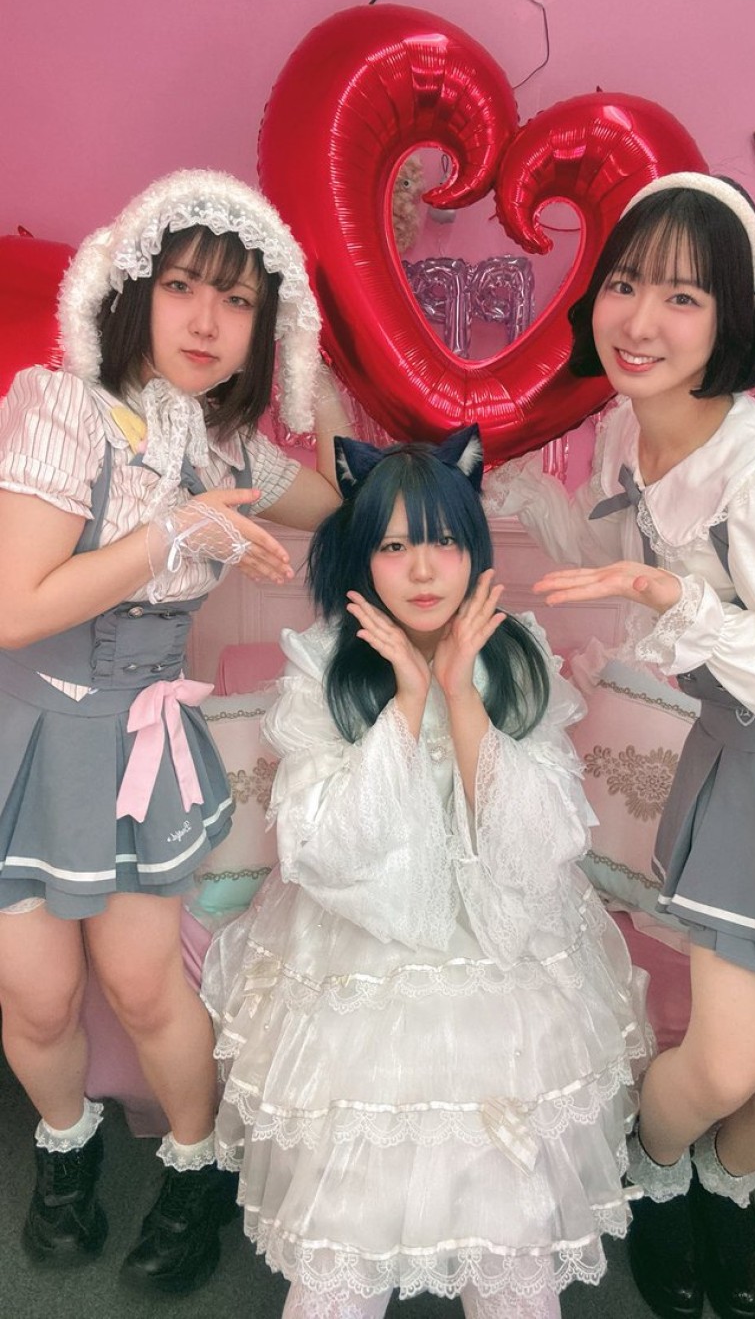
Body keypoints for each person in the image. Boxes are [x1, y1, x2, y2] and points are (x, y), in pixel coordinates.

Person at [201, 425, 651, 1319]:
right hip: (358, 959)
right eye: (395, 544)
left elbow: (536, 850)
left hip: (505, 954)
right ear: (362, 557)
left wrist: (459, 697)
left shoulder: (517, 655)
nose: (421, 568)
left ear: (474, 549)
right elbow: (328, 850)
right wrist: (405, 703)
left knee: (514, 1269)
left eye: (444, 540)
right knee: (338, 1272)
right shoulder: (324, 666)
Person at [0, 168, 352, 1294]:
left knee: (147, 988)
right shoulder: (61, 408)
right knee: (35, 997)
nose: (208, 320)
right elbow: (12, 609)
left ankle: (196, 1164)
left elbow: (345, 498)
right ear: (134, 290)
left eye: (239, 301)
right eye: (184, 286)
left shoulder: (233, 451)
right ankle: (65, 1149)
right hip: (27, 739)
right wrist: (170, 536)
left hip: (137, 750)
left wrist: (322, 379)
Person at [483, 171, 755, 1319]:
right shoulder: (625, 431)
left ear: (729, 320)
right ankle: (660, 1165)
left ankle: (728, 1175)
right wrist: (529, 497)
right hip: (748, 766)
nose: (640, 320)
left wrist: (675, 598)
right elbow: (616, 566)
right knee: (721, 1064)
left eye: (681, 297)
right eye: (623, 283)